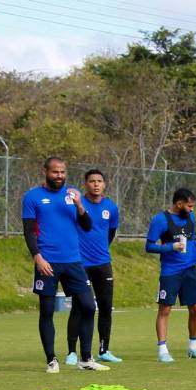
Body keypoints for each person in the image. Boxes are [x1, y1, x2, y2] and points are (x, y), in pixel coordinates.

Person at [21, 156, 106, 373]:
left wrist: (79, 205)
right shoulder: (32, 197)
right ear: (45, 171)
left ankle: (86, 358)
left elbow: (87, 226)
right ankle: (51, 360)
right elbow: (29, 230)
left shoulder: (73, 195)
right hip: (47, 262)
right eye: (55, 172)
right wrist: (37, 257)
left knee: (88, 306)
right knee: (47, 311)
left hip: (74, 261)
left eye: (62, 172)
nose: (59, 176)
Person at [146, 188, 196, 362]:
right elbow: (149, 246)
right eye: (189, 206)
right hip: (170, 271)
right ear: (179, 204)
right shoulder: (160, 220)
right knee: (165, 309)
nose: (192, 209)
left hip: (189, 270)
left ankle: (193, 347)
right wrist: (170, 247)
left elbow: (192, 238)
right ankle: (162, 350)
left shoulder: (191, 218)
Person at [65, 169, 121, 365]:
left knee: (105, 308)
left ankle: (104, 350)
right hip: (80, 264)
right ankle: (72, 352)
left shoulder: (111, 208)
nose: (96, 184)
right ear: (85, 184)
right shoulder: (76, 205)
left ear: (104, 184)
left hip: (103, 264)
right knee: (80, 308)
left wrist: (101, 250)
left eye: (99, 181)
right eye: (92, 181)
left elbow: (110, 234)